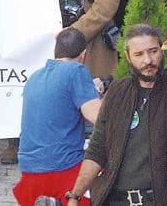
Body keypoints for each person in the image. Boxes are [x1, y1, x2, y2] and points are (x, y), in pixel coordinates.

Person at [64, 24, 167, 205]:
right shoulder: (117, 91)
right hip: (116, 200)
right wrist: (75, 195)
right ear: (128, 57)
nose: (148, 60)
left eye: (153, 51)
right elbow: (97, 149)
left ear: (162, 51)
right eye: (139, 54)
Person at [13, 27, 103, 205]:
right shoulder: (76, 71)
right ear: (83, 55)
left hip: (29, 170)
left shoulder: (34, 77)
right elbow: (97, 116)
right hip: (63, 169)